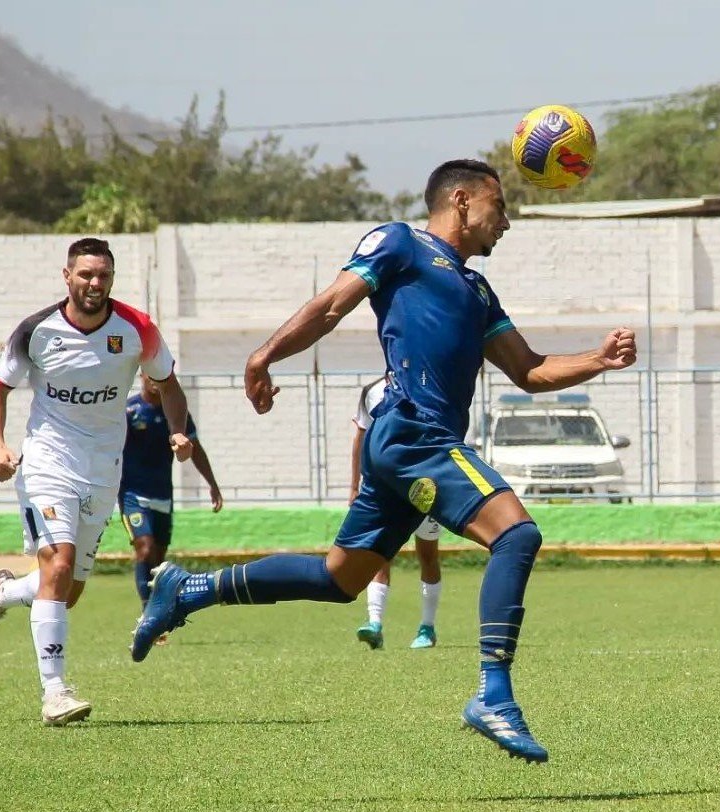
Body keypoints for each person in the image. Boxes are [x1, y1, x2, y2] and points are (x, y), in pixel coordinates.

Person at [129, 159, 637, 763]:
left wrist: (598, 359)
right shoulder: (401, 243)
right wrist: (263, 355)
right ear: (463, 201)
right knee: (517, 535)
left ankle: (189, 591)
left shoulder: (475, 289)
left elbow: (528, 370)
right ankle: (494, 696)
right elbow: (330, 306)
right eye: (501, 209)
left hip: (411, 444)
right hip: (412, 433)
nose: (506, 223)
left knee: (337, 580)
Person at [0, 238, 192, 726]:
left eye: (103, 275)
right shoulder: (37, 330)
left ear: (112, 279)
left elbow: (169, 383)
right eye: (86, 274)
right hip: (47, 461)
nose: (95, 283)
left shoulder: (136, 329)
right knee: (59, 563)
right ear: (67, 276)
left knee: (68, 589)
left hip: (104, 469)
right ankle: (55, 693)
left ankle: (5, 593)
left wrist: (176, 430)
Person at [121, 372, 224, 632]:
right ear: (143, 375)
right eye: (150, 375)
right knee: (144, 549)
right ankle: (148, 617)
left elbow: (195, 447)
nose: (155, 381)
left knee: (158, 558)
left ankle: (160, 613)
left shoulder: (175, 413)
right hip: (132, 495)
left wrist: (212, 484)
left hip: (163, 496)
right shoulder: (129, 410)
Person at [350, 377, 443, 649]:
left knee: (427, 555)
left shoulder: (430, 384)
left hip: (425, 486)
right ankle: (374, 624)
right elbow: (360, 438)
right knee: (379, 555)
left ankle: (427, 627)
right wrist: (353, 487)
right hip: (384, 487)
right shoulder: (372, 391)